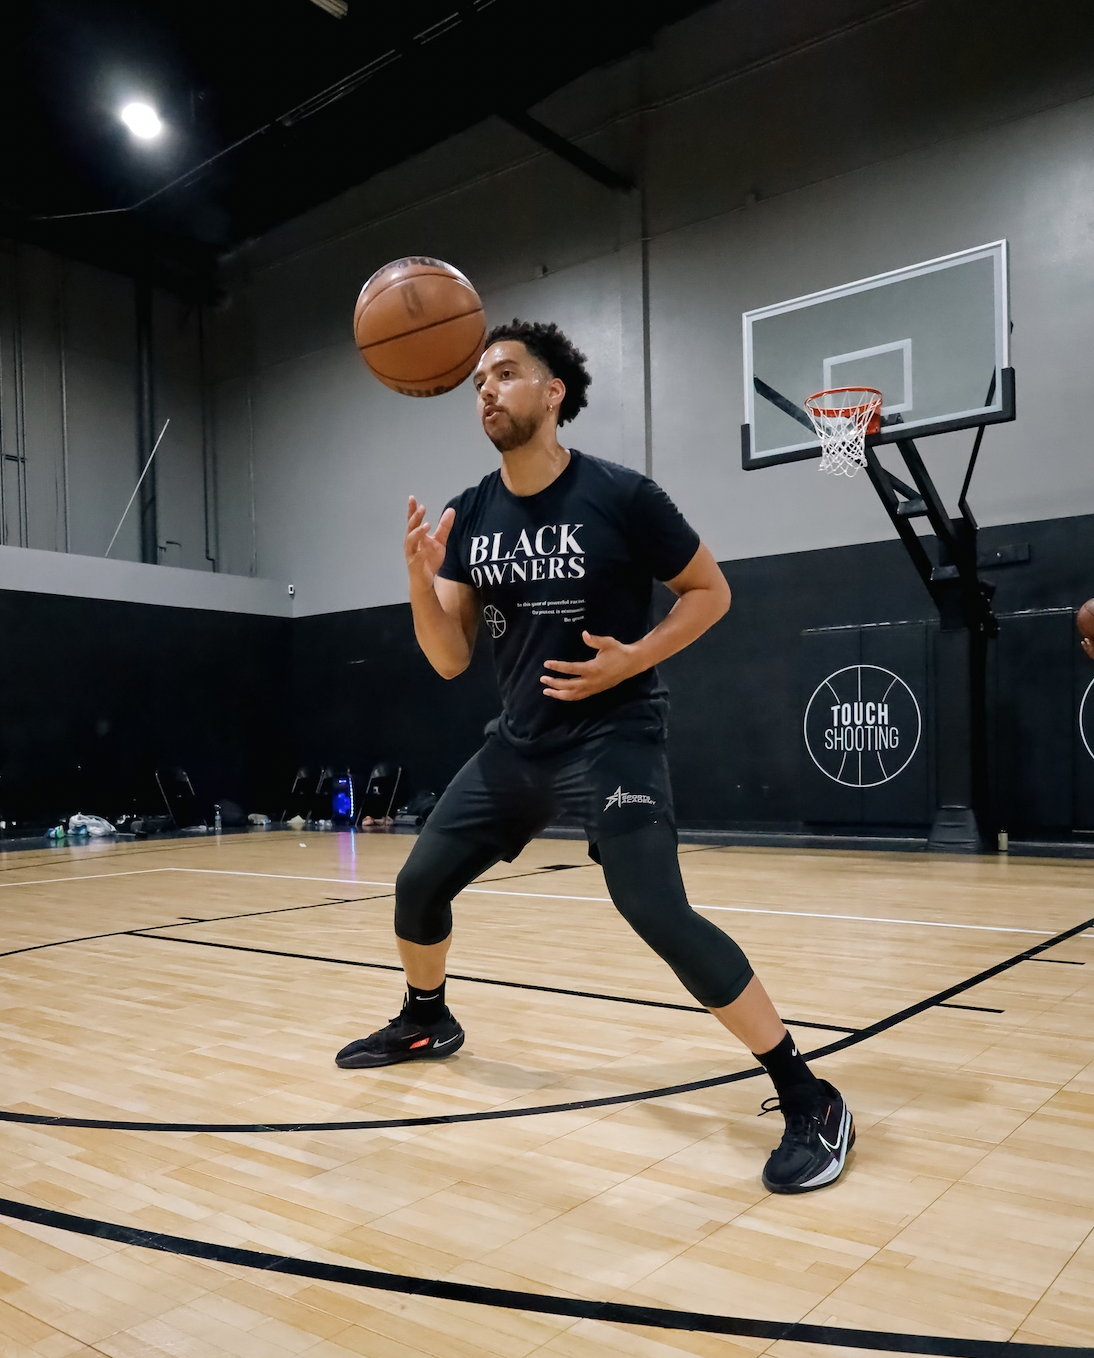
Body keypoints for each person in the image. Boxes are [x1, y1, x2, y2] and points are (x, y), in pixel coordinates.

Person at [336, 320, 855, 1193]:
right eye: (477, 383)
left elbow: (711, 592)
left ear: (554, 394)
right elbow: (450, 657)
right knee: (417, 885)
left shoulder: (621, 495)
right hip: (521, 743)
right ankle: (428, 1019)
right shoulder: (473, 513)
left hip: (614, 735)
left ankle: (808, 1092)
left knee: (652, 906)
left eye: (506, 374)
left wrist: (631, 657)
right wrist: (422, 581)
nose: (487, 391)